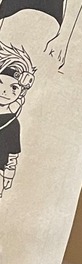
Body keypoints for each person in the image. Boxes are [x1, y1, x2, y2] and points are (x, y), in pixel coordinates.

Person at [0, 43, 34, 195]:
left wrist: (9, 174)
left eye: (14, 87)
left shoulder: (12, 123)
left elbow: (13, 153)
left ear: (21, 92)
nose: (5, 91)